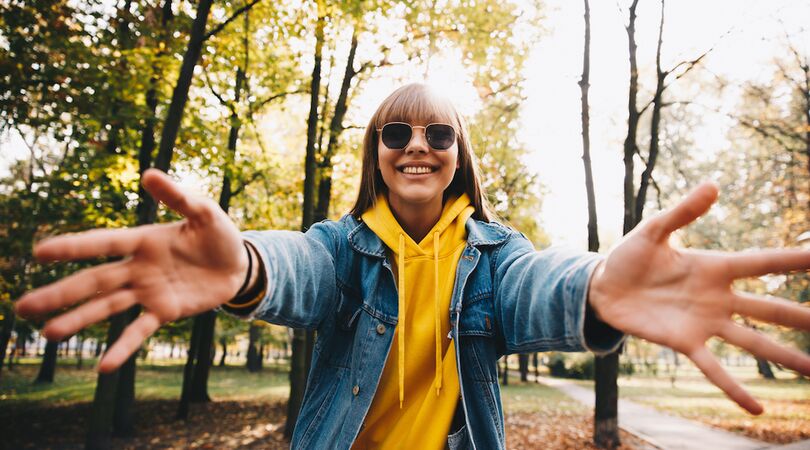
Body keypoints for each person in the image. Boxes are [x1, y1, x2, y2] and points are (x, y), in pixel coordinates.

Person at [14, 83, 810, 449]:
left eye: (437, 133)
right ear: (377, 156)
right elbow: (297, 270)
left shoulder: (498, 257)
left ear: (459, 155)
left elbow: (543, 288)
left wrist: (600, 286)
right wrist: (248, 266)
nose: (418, 145)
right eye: (396, 135)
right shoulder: (341, 245)